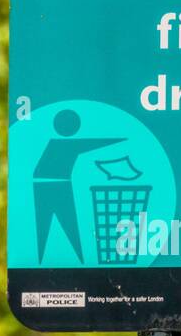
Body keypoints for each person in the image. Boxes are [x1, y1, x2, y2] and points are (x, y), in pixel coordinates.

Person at [33, 110, 124, 263]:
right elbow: (87, 144)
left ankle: (76, 259)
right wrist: (118, 139)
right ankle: (73, 260)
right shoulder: (60, 144)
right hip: (53, 185)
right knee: (64, 227)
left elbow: (84, 144)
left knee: (63, 228)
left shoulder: (55, 143)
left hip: (48, 184)